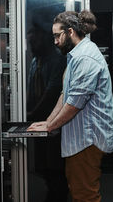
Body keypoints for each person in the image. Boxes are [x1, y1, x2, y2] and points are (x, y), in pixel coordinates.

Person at [28, 10, 113, 202]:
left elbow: (74, 104)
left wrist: (50, 126)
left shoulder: (86, 58)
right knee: (78, 192)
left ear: (70, 32)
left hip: (88, 139)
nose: (55, 41)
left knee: (85, 196)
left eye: (57, 36)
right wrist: (48, 122)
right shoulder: (75, 56)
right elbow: (65, 95)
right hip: (80, 140)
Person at [26, 23, 68, 202]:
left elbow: (52, 92)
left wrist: (31, 114)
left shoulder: (57, 59)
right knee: (45, 169)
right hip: (39, 123)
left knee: (56, 169)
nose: (31, 40)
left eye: (34, 36)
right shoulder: (36, 61)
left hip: (55, 123)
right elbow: (30, 91)